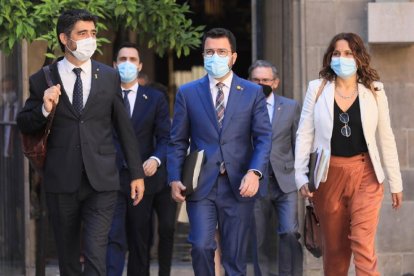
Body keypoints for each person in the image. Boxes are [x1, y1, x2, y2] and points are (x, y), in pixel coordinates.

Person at [17, 9, 145, 276]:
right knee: (68, 258)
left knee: (96, 253)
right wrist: (44, 107)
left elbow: (124, 128)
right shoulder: (43, 78)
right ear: (65, 38)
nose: (90, 39)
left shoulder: (109, 77)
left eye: (93, 33)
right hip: (61, 180)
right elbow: (25, 123)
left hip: (102, 180)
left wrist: (136, 173)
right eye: (82, 33)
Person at [294, 32, 403, 276]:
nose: (341, 58)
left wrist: (395, 181)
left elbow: (386, 137)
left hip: (366, 174)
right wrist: (301, 176)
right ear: (329, 57)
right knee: (335, 253)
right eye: (336, 53)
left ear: (359, 58)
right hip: (328, 175)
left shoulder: (374, 91)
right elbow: (304, 134)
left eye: (347, 53)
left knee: (363, 244)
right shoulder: (317, 88)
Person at [167, 27, 272, 276]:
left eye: (222, 51)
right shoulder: (188, 93)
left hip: (238, 185)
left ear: (233, 57)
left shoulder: (252, 92)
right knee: (201, 246)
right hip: (201, 185)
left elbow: (264, 137)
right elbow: (177, 141)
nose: (215, 56)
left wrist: (254, 172)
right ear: (203, 56)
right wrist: (173, 178)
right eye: (210, 51)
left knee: (235, 258)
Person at [107, 42, 175, 276]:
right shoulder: (104, 97)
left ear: (140, 65)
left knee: (139, 239)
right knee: (113, 237)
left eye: (132, 59)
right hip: (111, 178)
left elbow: (166, 137)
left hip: (142, 180)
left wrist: (156, 159)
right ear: (114, 65)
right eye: (122, 59)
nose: (127, 63)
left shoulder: (155, 99)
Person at [249, 60, 303, 276]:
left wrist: (303, 177)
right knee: (258, 237)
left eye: (266, 80)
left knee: (290, 232)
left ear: (276, 82)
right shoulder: (244, 107)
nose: (261, 83)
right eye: (256, 80)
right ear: (249, 82)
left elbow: (297, 143)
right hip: (255, 182)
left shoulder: (290, 106)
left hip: (285, 180)